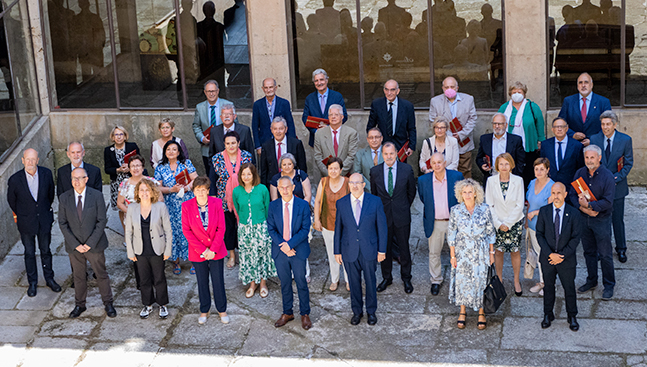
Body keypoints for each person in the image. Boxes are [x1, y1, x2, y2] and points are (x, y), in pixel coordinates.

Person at [59, 167, 116, 319]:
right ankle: (80, 304)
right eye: (74, 179)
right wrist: (76, 244)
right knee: (78, 276)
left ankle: (108, 303)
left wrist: (89, 243)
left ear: (86, 179)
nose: (76, 182)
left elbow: (102, 220)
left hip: (95, 245)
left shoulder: (96, 196)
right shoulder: (64, 198)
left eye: (80, 178)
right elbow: (62, 223)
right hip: (74, 246)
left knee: (101, 274)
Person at [334, 173, 388, 325]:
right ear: (348, 185)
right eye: (352, 183)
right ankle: (357, 312)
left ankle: (371, 312)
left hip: (369, 249)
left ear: (364, 185)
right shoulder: (342, 203)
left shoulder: (375, 201)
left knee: (371, 282)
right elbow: (338, 228)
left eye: (358, 183)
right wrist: (337, 251)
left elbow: (382, 228)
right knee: (353, 282)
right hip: (349, 250)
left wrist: (382, 250)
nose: (355, 185)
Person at [7, 149, 61, 297]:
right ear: (23, 160)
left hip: (44, 219)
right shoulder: (14, 179)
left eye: (33, 159)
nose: (30, 162)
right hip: (26, 221)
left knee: (46, 250)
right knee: (29, 252)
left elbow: (50, 195)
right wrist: (24, 213)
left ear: (38, 160)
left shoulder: (46, 174)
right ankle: (32, 282)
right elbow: (12, 201)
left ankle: (49, 279)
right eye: (27, 159)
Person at [569, 145, 616, 300]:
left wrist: (590, 206)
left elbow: (608, 202)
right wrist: (584, 209)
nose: (589, 160)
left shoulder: (607, 176)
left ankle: (609, 285)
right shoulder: (580, 173)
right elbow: (572, 195)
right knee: (588, 252)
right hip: (584, 220)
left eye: (592, 157)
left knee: (605, 254)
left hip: (601, 220)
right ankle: (592, 281)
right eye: (587, 157)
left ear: (599, 158)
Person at [447, 178, 496, 330]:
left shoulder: (485, 209)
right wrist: (452, 255)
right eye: (465, 192)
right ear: (460, 194)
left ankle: (481, 312)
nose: (467, 195)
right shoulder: (455, 210)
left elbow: (490, 232)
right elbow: (451, 234)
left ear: (476, 193)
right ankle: (462, 311)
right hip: (462, 251)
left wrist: (492, 252)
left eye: (470, 192)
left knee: (481, 280)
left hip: (481, 251)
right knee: (463, 281)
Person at [181, 176, 229, 325]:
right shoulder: (187, 206)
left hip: (216, 249)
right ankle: (204, 309)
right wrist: (203, 250)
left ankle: (222, 310)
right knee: (202, 281)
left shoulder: (217, 203)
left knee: (218, 281)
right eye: (197, 190)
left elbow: (221, 228)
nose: (201, 193)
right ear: (193, 191)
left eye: (203, 190)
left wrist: (213, 249)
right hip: (197, 251)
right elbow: (186, 230)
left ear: (208, 191)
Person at [267, 176, 313, 330]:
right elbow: (271, 229)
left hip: (298, 250)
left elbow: (305, 229)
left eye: (287, 187)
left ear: (293, 187)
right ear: (278, 189)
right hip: (280, 251)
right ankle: (287, 312)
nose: (284, 190)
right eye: (281, 188)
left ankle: (305, 314)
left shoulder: (303, 205)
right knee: (285, 283)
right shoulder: (273, 206)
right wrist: (283, 245)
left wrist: (290, 244)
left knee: (301, 282)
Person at [370, 142, 416, 294]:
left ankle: (406, 278)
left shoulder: (406, 169)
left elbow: (411, 193)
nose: (389, 156)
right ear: (382, 155)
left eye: (391, 153)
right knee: (385, 248)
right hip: (383, 217)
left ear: (396, 153)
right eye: (385, 154)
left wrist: (402, 207)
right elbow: (375, 195)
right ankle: (386, 277)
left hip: (402, 215)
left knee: (404, 248)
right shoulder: (375, 171)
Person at [536, 182, 581, 332]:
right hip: (548, 258)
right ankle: (548, 314)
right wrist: (550, 254)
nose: (556, 196)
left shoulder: (574, 213)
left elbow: (575, 238)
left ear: (565, 194)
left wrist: (561, 255)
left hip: (566, 259)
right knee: (548, 287)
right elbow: (539, 235)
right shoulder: (544, 211)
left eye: (559, 193)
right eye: (554, 193)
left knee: (569, 288)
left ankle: (572, 316)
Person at [125, 179, 172, 319]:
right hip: (140, 250)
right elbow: (128, 232)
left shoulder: (160, 207)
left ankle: (163, 304)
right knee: (144, 279)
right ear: (137, 193)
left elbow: (168, 230)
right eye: (141, 190)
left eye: (147, 190)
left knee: (159, 278)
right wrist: (130, 251)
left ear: (152, 192)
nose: (144, 193)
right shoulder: (132, 208)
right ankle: (148, 304)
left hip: (157, 249)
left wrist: (168, 250)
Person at [590, 111, 633, 263]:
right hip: (599, 187)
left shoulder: (625, 140)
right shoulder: (594, 139)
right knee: (602, 221)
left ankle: (621, 249)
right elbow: (591, 161)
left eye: (608, 124)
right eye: (603, 124)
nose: (605, 127)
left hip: (618, 187)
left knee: (617, 220)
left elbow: (628, 163)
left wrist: (616, 178)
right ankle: (602, 250)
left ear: (615, 125)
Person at [418, 153, 464, 295]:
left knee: (458, 252)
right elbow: (423, 197)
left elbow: (462, 197)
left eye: (439, 162)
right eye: (434, 163)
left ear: (445, 163)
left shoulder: (456, 177)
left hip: (453, 222)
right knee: (434, 252)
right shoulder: (423, 180)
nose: (437, 165)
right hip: (435, 222)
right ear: (430, 165)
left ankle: (459, 280)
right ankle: (436, 280)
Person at [232, 163, 277, 298]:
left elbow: (268, 209)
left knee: (263, 254)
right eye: (243, 174)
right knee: (248, 256)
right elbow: (237, 210)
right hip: (245, 229)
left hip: (261, 227)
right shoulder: (236, 191)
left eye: (249, 174)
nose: (246, 177)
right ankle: (253, 283)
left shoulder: (262, 189)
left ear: (254, 175)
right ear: (240, 176)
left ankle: (263, 283)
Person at [154, 140, 198, 275]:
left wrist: (187, 188)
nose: (171, 152)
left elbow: (195, 180)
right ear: (165, 152)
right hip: (170, 204)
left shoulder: (186, 164)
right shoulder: (160, 168)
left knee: (190, 230)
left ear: (179, 152)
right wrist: (170, 189)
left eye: (174, 149)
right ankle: (176, 261)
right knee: (172, 231)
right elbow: (157, 187)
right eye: (168, 149)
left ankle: (194, 261)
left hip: (186, 202)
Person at [485, 153, 525, 296]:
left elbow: (520, 204)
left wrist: (508, 223)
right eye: (501, 164)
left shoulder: (518, 180)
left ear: (511, 165)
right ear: (497, 166)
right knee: (499, 251)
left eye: (506, 164)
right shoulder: (490, 181)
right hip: (497, 222)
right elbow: (489, 204)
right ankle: (499, 279)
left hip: (514, 222)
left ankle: (516, 281)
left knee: (515, 251)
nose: (504, 167)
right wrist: (498, 223)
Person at [212, 131, 253, 269]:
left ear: (238, 143)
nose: (231, 146)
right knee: (228, 227)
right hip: (225, 199)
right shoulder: (217, 158)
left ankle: (244, 253)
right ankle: (232, 255)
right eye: (228, 143)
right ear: (224, 144)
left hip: (244, 196)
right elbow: (213, 179)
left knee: (244, 225)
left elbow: (252, 176)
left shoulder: (247, 156)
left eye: (233, 143)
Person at [498, 82, 546, 187]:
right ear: (510, 94)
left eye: (519, 92)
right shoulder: (504, 108)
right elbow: (498, 123)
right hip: (509, 147)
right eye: (514, 92)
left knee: (528, 172)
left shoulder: (532, 107)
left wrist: (540, 141)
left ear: (524, 94)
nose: (517, 94)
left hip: (528, 146)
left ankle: (527, 196)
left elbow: (540, 124)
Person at [428, 76, 477, 178]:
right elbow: (432, 121)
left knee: (465, 171)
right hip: (444, 143)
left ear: (457, 88)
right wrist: (448, 136)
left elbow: (472, 119)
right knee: (446, 172)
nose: (449, 89)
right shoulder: (435, 101)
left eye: (452, 87)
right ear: (442, 88)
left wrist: (461, 135)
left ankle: (466, 192)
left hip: (464, 142)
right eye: (446, 87)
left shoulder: (468, 99)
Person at [314, 157, 350, 291]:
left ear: (341, 169)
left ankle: (348, 279)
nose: (333, 171)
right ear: (327, 169)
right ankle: (334, 279)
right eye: (330, 168)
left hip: (345, 225)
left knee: (346, 253)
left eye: (336, 168)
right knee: (331, 252)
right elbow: (317, 201)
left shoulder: (347, 182)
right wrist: (317, 220)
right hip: (327, 223)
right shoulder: (323, 182)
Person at [525, 158, 555, 296]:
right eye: (536, 169)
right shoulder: (532, 183)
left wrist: (536, 212)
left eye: (542, 169)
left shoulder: (552, 187)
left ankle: (548, 284)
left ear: (548, 170)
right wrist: (526, 220)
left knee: (544, 255)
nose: (539, 172)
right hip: (531, 225)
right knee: (538, 255)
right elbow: (528, 204)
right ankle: (543, 281)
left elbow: (551, 209)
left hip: (544, 227)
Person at [192, 80, 235, 174]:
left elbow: (235, 125)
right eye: (209, 91)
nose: (211, 94)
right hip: (207, 149)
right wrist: (202, 138)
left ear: (218, 91)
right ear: (205, 92)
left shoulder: (228, 105)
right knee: (211, 176)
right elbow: (196, 126)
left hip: (226, 148)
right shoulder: (199, 107)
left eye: (213, 91)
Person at [558, 72, 612, 146]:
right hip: (573, 145)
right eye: (580, 83)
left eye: (586, 82)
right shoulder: (568, 101)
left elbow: (609, 126)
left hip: (596, 146)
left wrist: (593, 140)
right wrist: (572, 135)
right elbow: (560, 123)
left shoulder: (603, 102)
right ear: (577, 86)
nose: (583, 85)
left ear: (591, 85)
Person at [366, 79, 416, 157]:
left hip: (400, 147)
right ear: (384, 90)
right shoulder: (377, 104)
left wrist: (411, 146)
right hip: (382, 146)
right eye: (387, 90)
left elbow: (411, 128)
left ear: (398, 91)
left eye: (392, 90)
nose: (389, 93)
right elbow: (370, 126)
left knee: (400, 169)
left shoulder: (407, 106)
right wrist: (374, 143)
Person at [104, 126, 142, 226]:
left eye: (121, 134)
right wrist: (118, 169)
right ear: (112, 137)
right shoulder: (108, 150)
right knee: (121, 207)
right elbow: (107, 169)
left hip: (132, 180)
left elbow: (140, 162)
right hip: (117, 183)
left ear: (125, 136)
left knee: (135, 204)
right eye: (116, 134)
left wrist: (130, 168)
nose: (119, 137)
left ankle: (137, 229)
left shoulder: (132, 146)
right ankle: (126, 232)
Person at [302, 68, 348, 147]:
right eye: (316, 81)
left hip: (334, 139)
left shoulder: (337, 96)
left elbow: (344, 116)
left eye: (321, 80)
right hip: (316, 140)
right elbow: (305, 118)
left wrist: (328, 128)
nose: (319, 83)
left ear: (327, 80)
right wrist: (316, 131)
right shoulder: (309, 98)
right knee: (318, 160)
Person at [476, 113, 525, 185]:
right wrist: (482, 165)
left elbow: (521, 161)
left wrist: (515, 176)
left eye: (500, 124)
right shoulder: (485, 139)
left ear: (506, 125)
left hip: (510, 179)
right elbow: (479, 158)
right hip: (491, 177)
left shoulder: (516, 140)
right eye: (494, 123)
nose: (497, 126)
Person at [251, 78, 296, 154]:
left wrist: (292, 144)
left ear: (275, 88)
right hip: (265, 143)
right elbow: (255, 127)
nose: (268, 90)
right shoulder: (257, 105)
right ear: (263, 89)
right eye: (266, 87)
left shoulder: (284, 103)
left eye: (271, 87)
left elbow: (290, 125)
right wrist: (258, 146)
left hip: (282, 142)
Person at [260, 116, 307, 188]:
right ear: (271, 130)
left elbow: (302, 168)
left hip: (293, 186)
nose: (278, 132)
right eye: (275, 129)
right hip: (274, 186)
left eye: (281, 129)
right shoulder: (266, 146)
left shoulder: (296, 144)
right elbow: (264, 171)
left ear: (286, 129)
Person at [313, 104, 359, 177]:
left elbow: (351, 156)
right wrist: (329, 173)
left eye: (336, 114)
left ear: (342, 117)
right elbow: (318, 157)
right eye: (331, 115)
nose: (333, 117)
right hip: (326, 176)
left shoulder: (351, 133)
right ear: (328, 117)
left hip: (345, 176)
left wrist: (339, 173)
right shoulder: (319, 134)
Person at [540, 118, 585, 186]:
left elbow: (580, 168)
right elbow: (543, 165)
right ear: (552, 129)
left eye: (562, 127)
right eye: (556, 127)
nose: (559, 129)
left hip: (570, 187)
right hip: (550, 186)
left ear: (567, 128)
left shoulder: (577, 145)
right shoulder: (545, 145)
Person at [354, 127, 384, 192]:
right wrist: (370, 187)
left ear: (381, 138)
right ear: (367, 139)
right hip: (367, 191)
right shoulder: (360, 154)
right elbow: (357, 173)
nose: (374, 140)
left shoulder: (389, 153)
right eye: (371, 137)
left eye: (377, 137)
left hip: (386, 192)